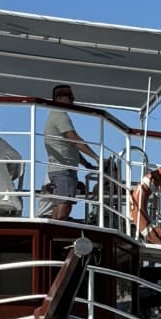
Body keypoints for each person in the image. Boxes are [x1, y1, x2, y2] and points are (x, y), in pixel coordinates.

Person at [44, 84, 96, 220]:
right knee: (64, 205)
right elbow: (74, 139)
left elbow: (69, 146)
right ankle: (56, 232)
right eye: (70, 97)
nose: (73, 100)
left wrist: (86, 164)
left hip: (60, 169)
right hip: (64, 170)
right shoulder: (60, 115)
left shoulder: (55, 115)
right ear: (59, 98)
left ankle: (54, 232)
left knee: (58, 206)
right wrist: (96, 157)